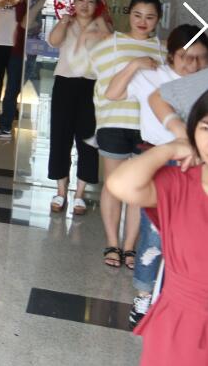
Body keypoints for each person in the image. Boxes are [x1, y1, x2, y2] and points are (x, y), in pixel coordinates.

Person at [106, 25, 208, 326]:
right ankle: (144, 294)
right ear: (171, 55)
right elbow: (119, 94)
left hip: (198, 166)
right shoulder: (156, 77)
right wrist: (180, 138)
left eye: (201, 57)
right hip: (162, 162)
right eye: (185, 56)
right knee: (154, 236)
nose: (193, 64)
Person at [106, 90, 208, 365]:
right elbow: (120, 184)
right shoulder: (181, 182)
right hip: (179, 326)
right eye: (206, 128)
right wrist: (169, 149)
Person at [84, 0, 166, 269]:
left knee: (138, 188)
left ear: (158, 19)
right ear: (129, 14)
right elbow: (103, 84)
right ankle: (112, 243)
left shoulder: (162, 50)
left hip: (149, 129)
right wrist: (135, 64)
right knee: (113, 185)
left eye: (150, 17)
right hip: (114, 123)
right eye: (137, 15)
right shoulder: (112, 43)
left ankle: (130, 246)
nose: (143, 21)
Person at [44, 0, 111, 215]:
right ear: (73, 2)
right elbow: (53, 41)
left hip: (91, 86)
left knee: (87, 140)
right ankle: (61, 191)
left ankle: (80, 194)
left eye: (91, 1)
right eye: (81, 0)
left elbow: (111, 43)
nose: (85, 5)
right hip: (65, 84)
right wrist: (64, 21)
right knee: (60, 137)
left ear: (97, 4)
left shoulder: (101, 25)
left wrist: (100, 20)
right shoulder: (67, 22)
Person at [0, 0, 40, 141]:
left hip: (22, 50)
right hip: (5, 46)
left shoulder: (27, 3)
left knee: (13, 87)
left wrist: (35, 3)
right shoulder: (6, 1)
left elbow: (29, 25)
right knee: (2, 82)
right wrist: (2, 2)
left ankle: (7, 119)